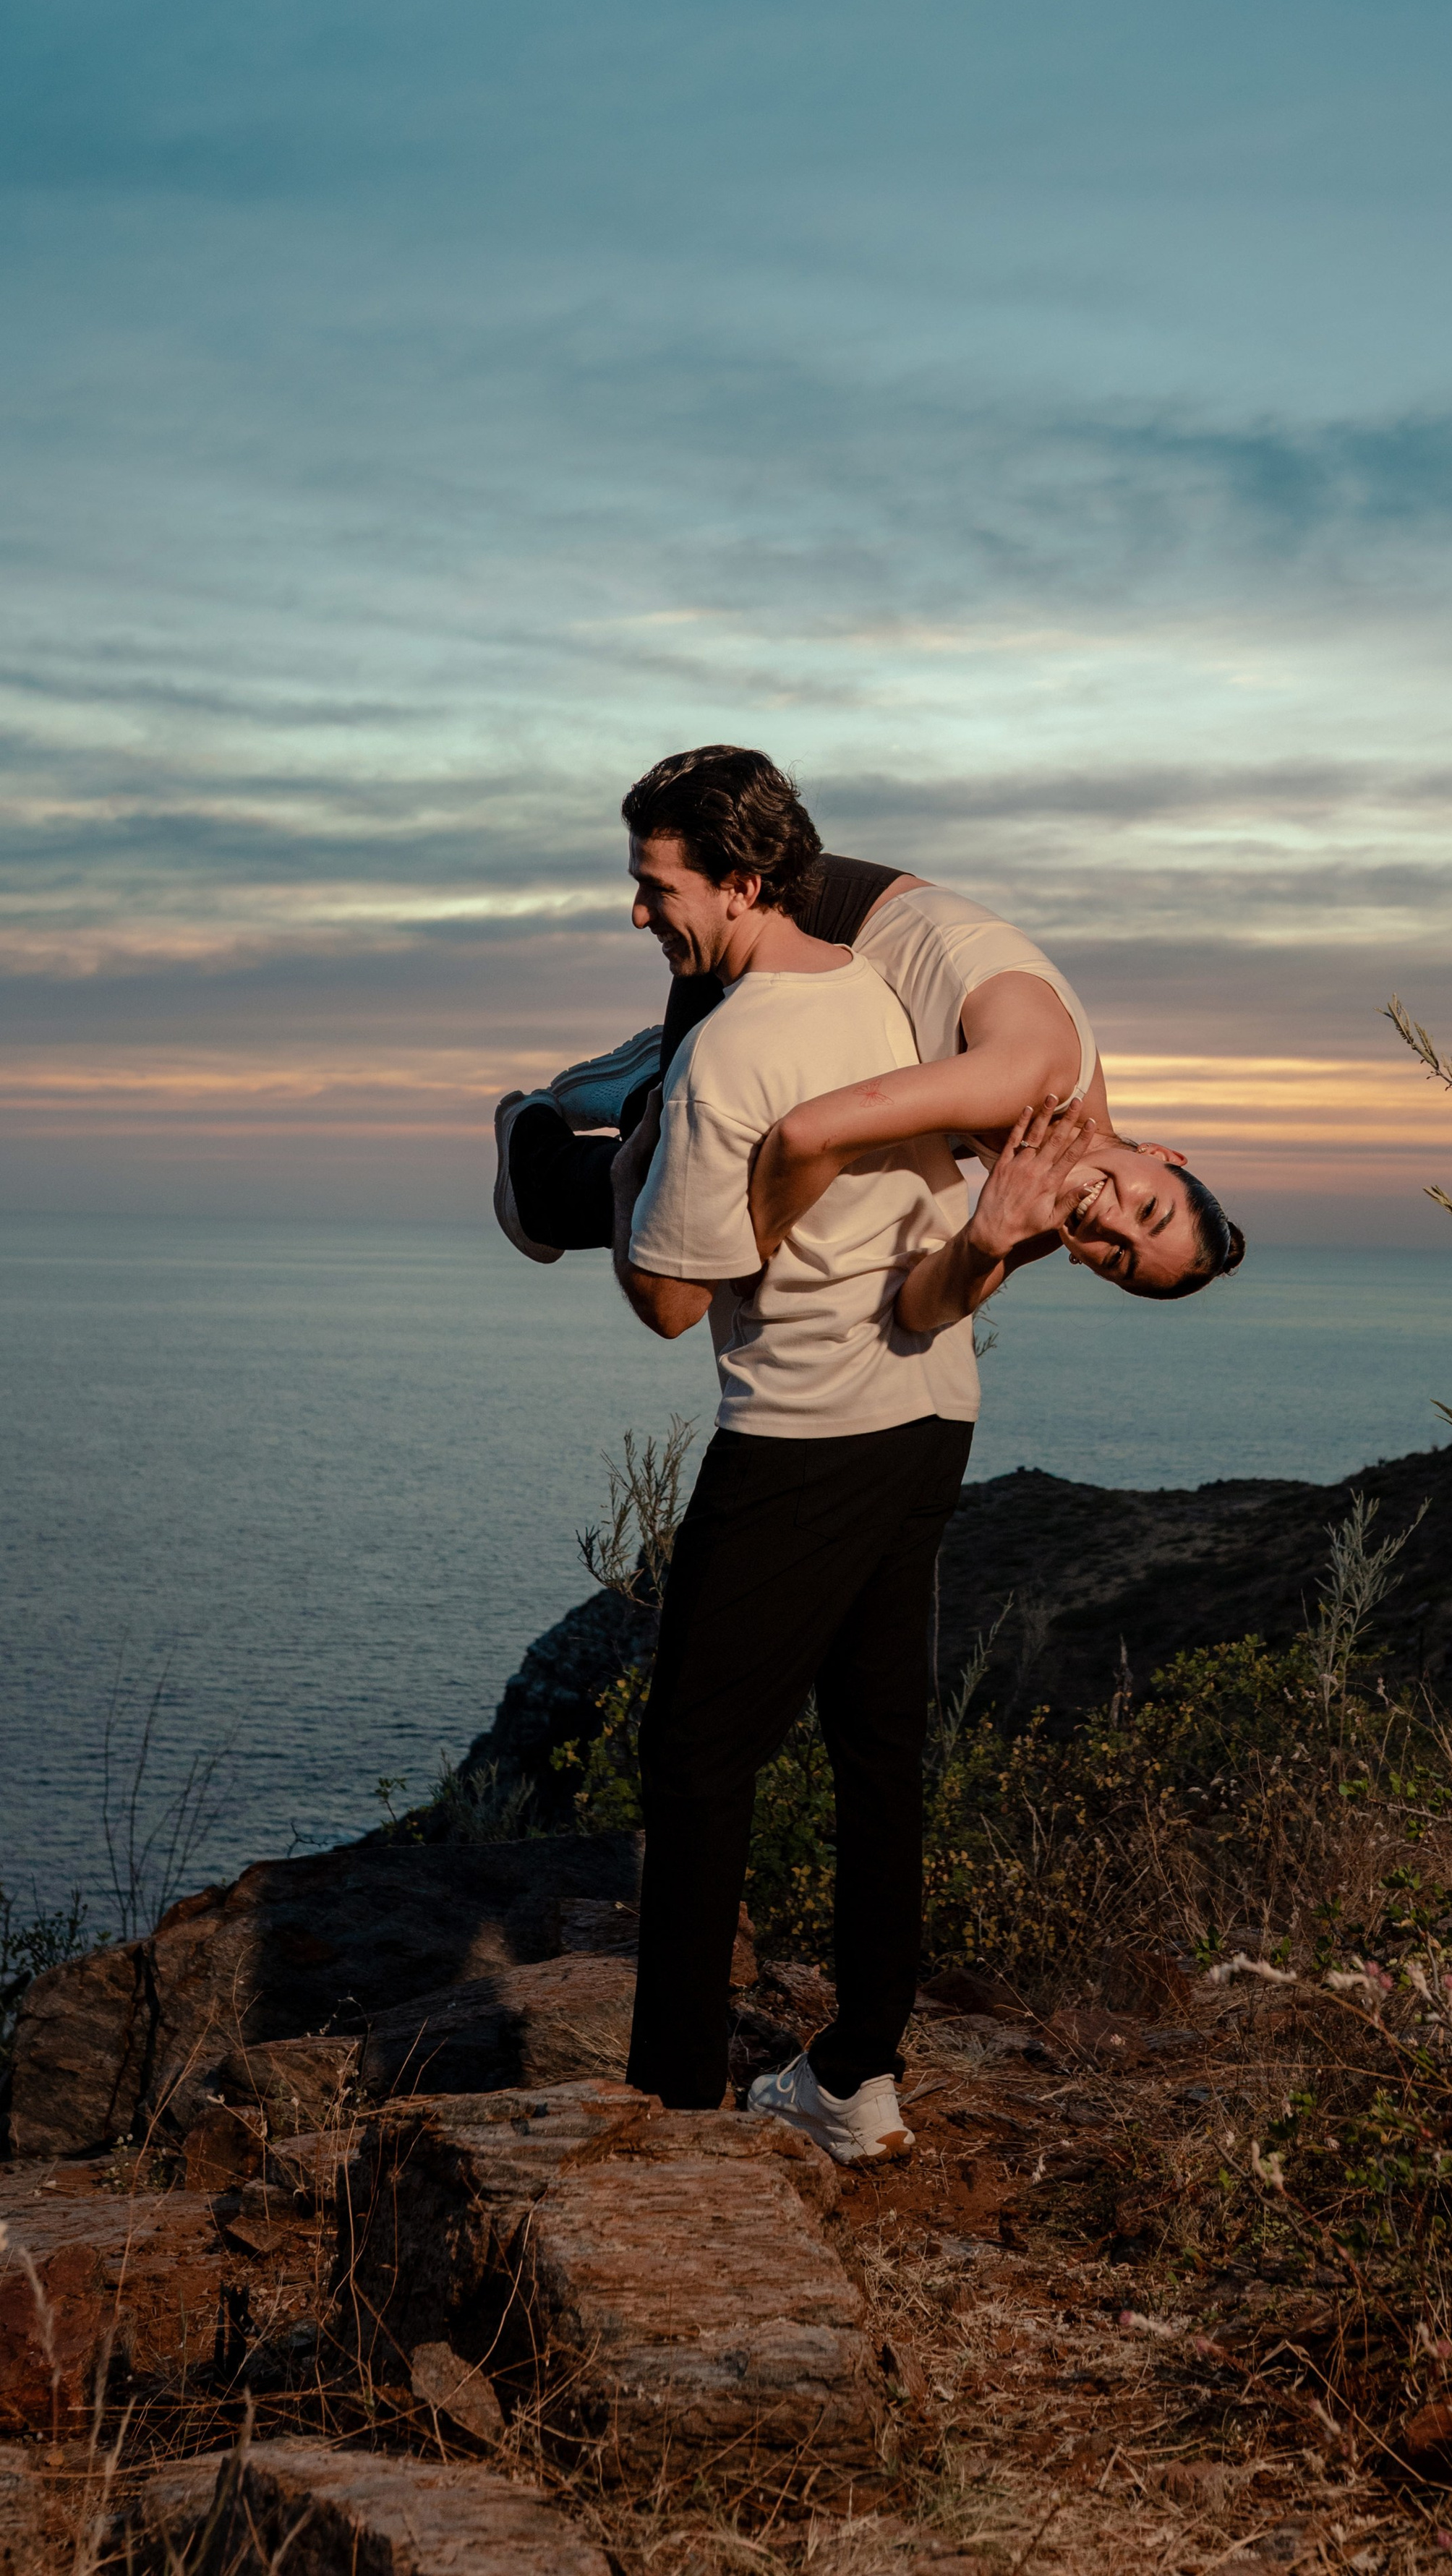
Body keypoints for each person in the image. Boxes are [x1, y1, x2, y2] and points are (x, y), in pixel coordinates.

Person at [605, 747, 1099, 2162]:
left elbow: (669, 1300)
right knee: (878, 1747)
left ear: (743, 882)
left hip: (804, 1428)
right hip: (929, 1408)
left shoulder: (728, 1052)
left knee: (697, 1762)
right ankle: (859, 2073)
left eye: (657, 888)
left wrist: (626, 1157)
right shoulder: (889, 999)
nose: (641, 915)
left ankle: (675, 2110)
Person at [495, 839, 1242, 1306]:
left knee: (845, 1187)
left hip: (851, 985)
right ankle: (552, 1141)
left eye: (1115, 1259)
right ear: (1162, 1157)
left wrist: (995, 1243)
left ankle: (660, 1080)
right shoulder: (1029, 1079)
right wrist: (748, 1251)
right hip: (792, 907)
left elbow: (929, 1305)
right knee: (701, 1233)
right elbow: (810, 1130)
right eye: (1149, 1212)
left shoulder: (1043, 1186)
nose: (1109, 1222)